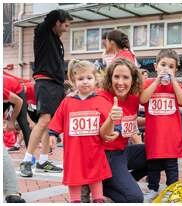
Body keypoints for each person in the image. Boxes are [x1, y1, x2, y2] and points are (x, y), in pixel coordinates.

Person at [48, 60, 113, 203]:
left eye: (89, 78)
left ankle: (98, 199)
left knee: (96, 177)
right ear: (73, 81)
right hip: (74, 151)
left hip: (94, 149)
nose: (85, 82)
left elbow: (112, 117)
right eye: (80, 79)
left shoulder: (100, 100)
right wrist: (52, 134)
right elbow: (58, 118)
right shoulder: (68, 102)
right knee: (74, 177)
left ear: (96, 80)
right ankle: (75, 201)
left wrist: (118, 128)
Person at [20, 9, 73, 177]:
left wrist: (64, 81)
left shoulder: (57, 40)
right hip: (45, 82)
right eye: (65, 24)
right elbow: (49, 18)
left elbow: (56, 63)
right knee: (44, 120)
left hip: (55, 84)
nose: (67, 28)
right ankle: (27, 160)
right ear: (56, 22)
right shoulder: (42, 32)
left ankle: (43, 161)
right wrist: (59, 13)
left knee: (48, 123)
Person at [140, 49, 182, 202]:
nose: (166, 68)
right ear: (156, 66)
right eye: (163, 64)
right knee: (153, 164)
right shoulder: (149, 83)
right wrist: (156, 82)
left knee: (171, 166)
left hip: (171, 136)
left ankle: (172, 189)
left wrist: (173, 81)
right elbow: (143, 99)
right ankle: (153, 189)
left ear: (176, 70)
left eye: (171, 66)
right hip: (154, 136)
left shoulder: (176, 86)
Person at [98, 58, 144, 202]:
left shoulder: (133, 98)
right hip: (107, 155)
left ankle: (117, 181)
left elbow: (130, 121)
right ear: (110, 78)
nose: (120, 82)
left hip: (124, 151)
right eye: (116, 76)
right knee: (135, 198)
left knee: (160, 153)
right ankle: (102, 184)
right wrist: (115, 127)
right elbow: (104, 133)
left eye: (125, 77)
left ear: (133, 79)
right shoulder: (101, 97)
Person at [4, 74, 32, 149]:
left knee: (23, 122)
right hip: (7, 93)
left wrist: (11, 121)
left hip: (17, 92)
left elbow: (19, 101)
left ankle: (30, 155)